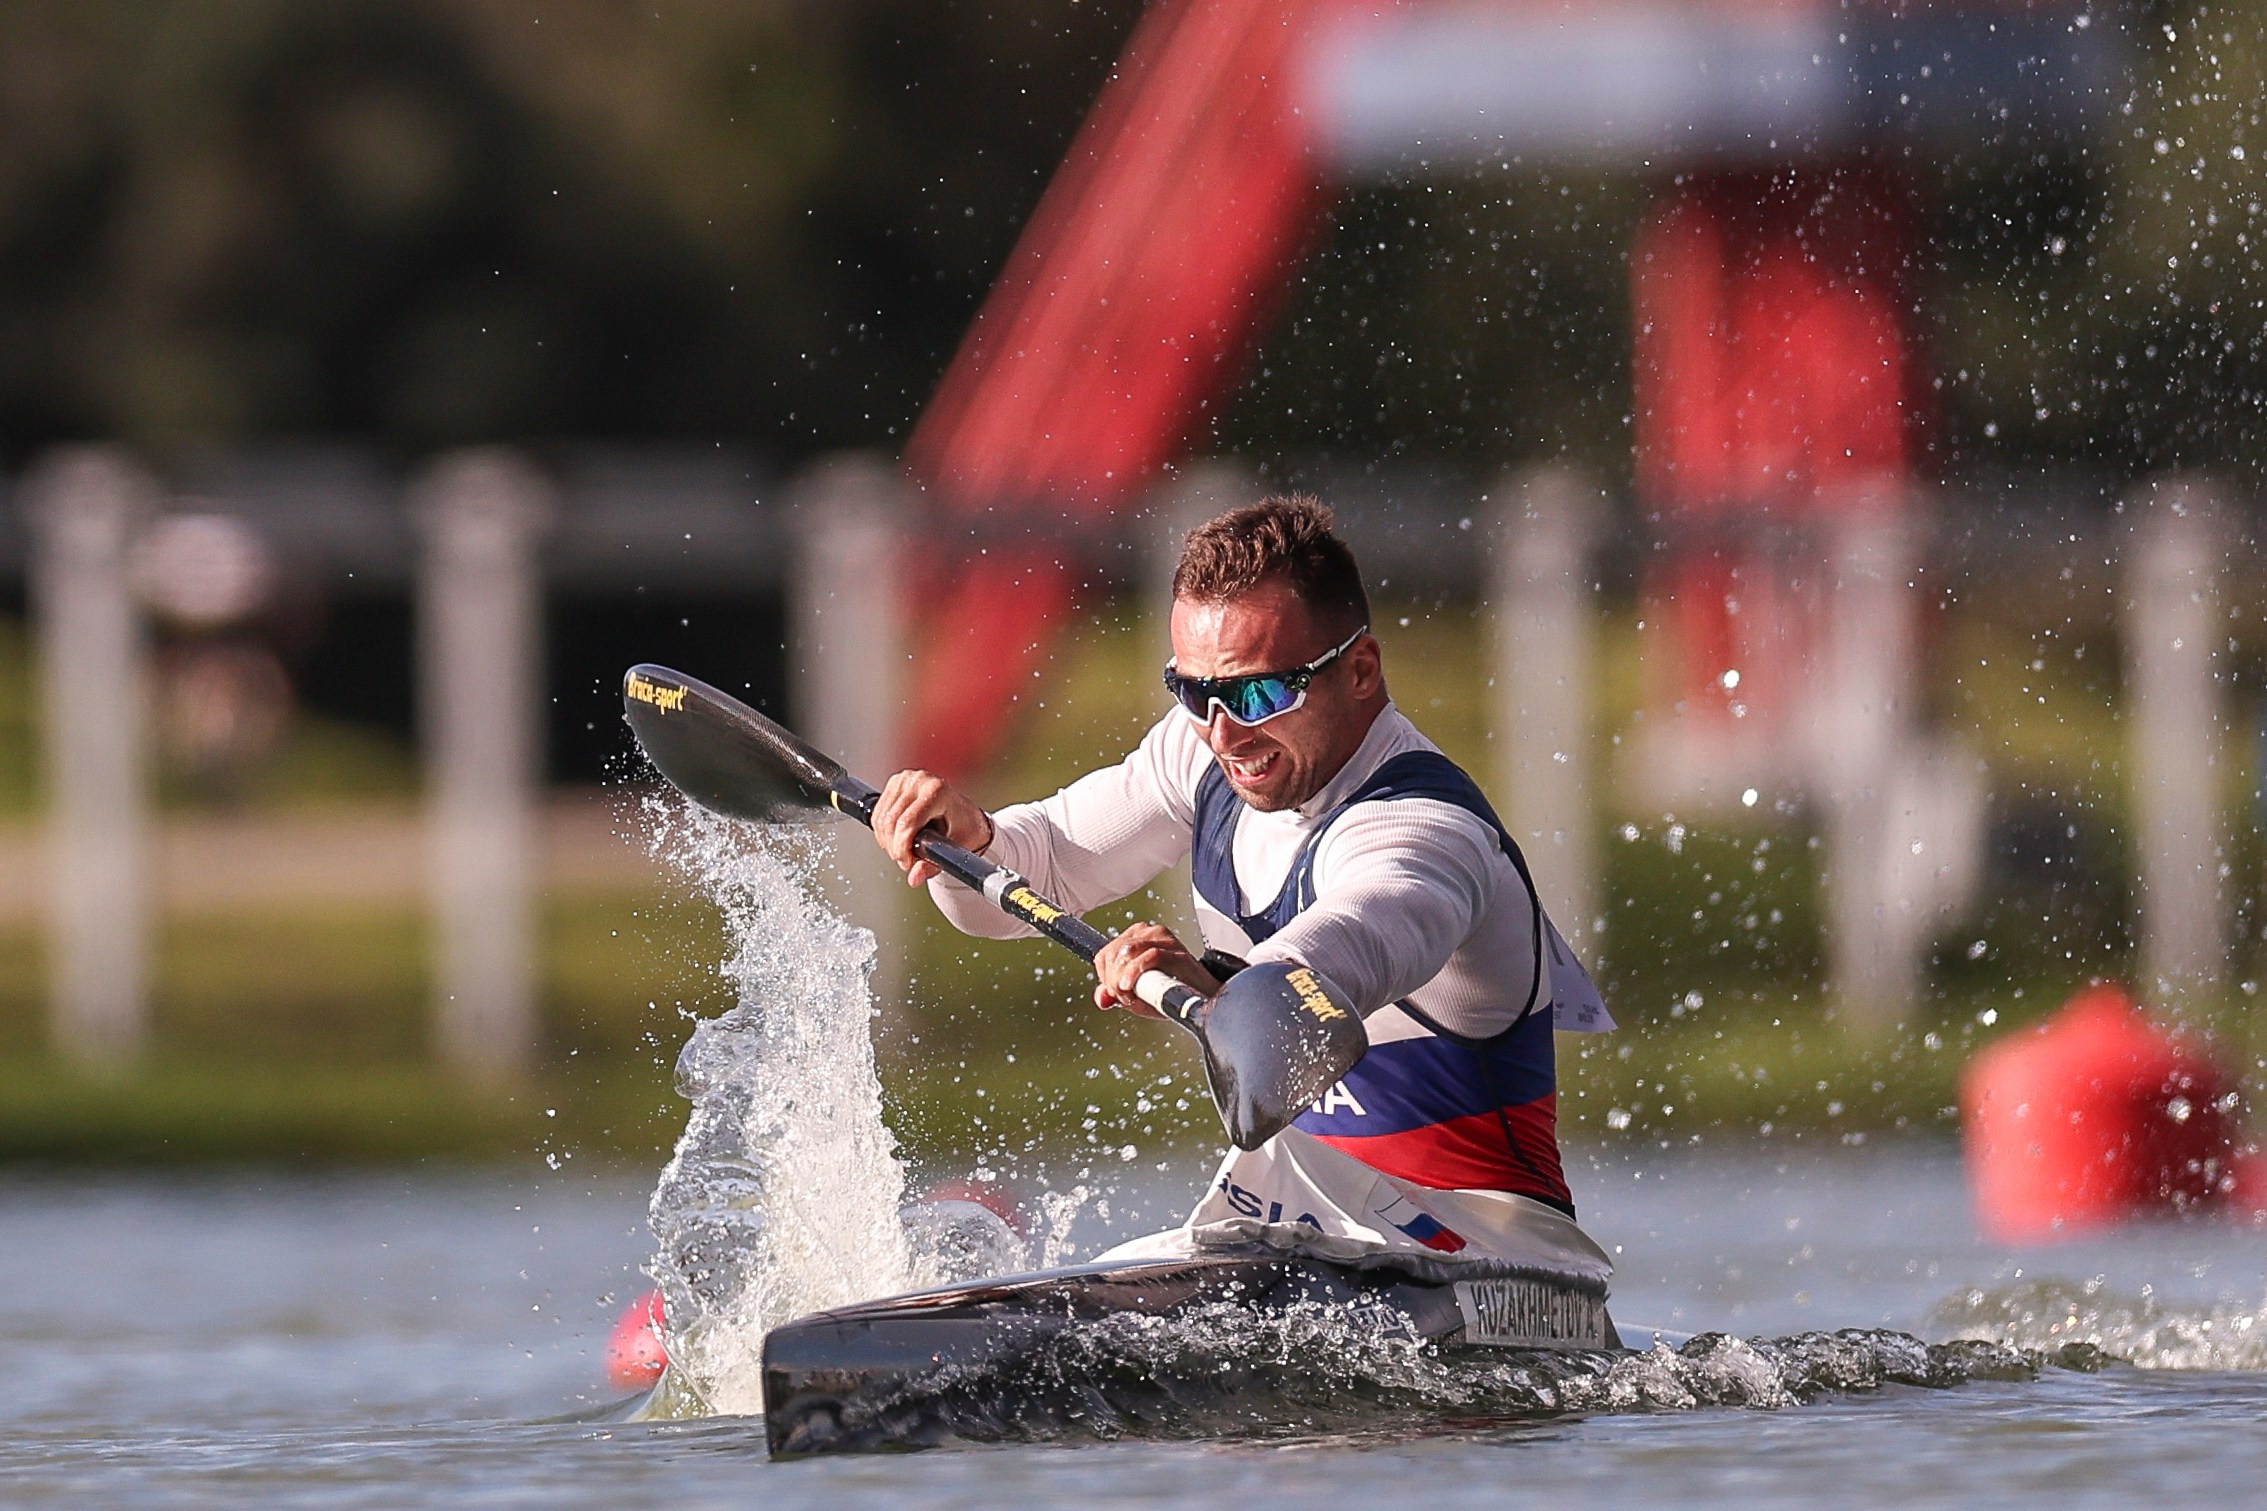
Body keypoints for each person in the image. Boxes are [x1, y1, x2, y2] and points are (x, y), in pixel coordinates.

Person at [870, 496, 1613, 1276]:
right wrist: (964, 841)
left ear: (1361, 671)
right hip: (1299, 1238)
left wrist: (1221, 987)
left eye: (1260, 694)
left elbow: (1340, 955)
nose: (1224, 732)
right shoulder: (1198, 756)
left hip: (1490, 1263)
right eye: (1193, 692)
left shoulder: (1424, 834)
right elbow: (1034, 873)